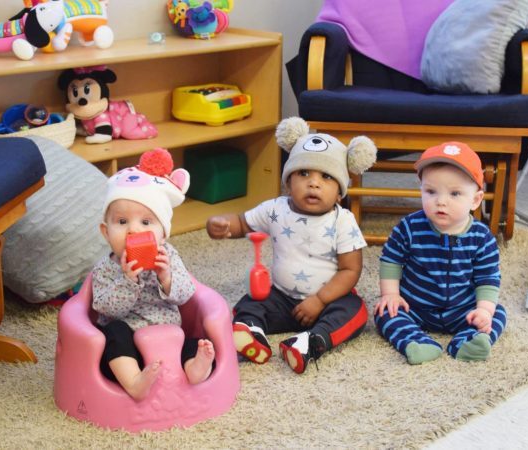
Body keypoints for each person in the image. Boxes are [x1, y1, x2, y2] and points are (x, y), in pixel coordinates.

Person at [206, 117, 377, 374]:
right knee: (250, 302)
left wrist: (319, 300)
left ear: (340, 193)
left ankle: (310, 342)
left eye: (327, 177)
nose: (314, 182)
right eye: (304, 173)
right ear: (288, 183)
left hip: (326, 302)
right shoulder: (276, 209)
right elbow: (242, 223)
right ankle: (252, 334)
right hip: (282, 297)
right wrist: (221, 225)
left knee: (356, 311)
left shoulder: (343, 220)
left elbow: (350, 271)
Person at [92, 148, 215, 400]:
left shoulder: (168, 256)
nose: (133, 230)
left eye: (146, 223)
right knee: (113, 334)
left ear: (163, 233)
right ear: (106, 232)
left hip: (169, 336)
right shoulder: (105, 267)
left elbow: (186, 295)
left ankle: (195, 369)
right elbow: (103, 308)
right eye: (122, 222)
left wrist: (166, 276)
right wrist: (127, 281)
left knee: (196, 343)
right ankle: (134, 382)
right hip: (128, 345)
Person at [373, 142, 506, 364]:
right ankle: (416, 342)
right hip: (415, 306)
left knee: (497, 313)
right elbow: (391, 260)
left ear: (475, 200)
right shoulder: (410, 226)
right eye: (431, 191)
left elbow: (488, 278)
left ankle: (467, 341)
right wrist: (390, 294)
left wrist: (483, 310)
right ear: (421, 190)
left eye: (455, 193)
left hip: (462, 309)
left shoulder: (482, 237)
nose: (441, 201)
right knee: (384, 312)